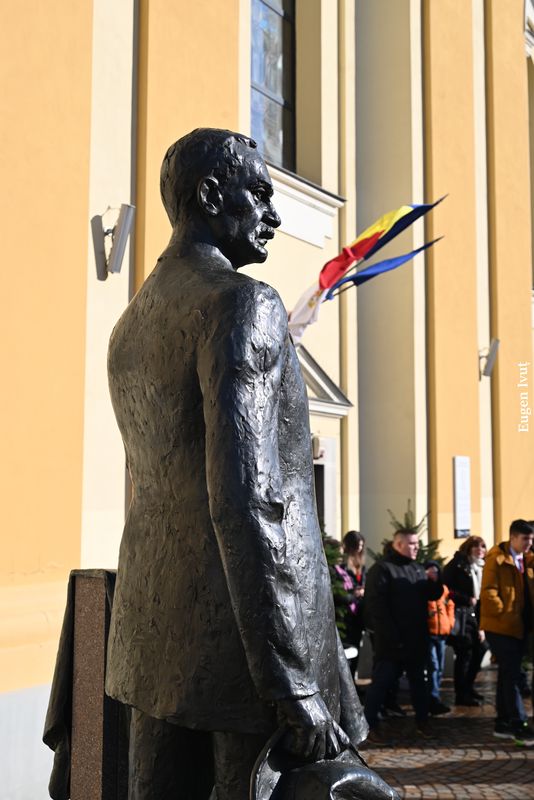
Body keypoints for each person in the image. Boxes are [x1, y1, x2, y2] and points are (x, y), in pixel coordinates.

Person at [105, 129, 368, 800]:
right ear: (209, 195)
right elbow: (245, 498)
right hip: (246, 662)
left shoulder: (131, 324)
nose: (273, 216)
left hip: (155, 637)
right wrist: (292, 682)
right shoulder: (242, 302)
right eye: (259, 194)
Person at [363, 530, 443, 739]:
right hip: (392, 642)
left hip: (416, 639)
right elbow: (376, 608)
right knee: (381, 683)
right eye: (412, 544)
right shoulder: (382, 569)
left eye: (417, 543)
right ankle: (368, 725)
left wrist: (435, 580)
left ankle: (422, 722)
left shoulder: (417, 568)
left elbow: (433, 594)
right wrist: (392, 637)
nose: (417, 547)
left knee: (419, 683)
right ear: (398, 544)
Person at [480, 519, 534, 746]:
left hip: (520, 627)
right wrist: (505, 613)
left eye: (531, 539)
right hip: (500, 627)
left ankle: (502, 722)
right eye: (525, 539)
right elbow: (488, 592)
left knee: (506, 673)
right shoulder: (496, 559)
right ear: (512, 538)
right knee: (513, 674)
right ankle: (518, 723)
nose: (528, 543)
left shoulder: (528, 559)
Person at [443, 535, 488, 706]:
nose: (480, 550)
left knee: (481, 649)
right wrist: (466, 599)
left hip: (477, 615)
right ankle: (461, 694)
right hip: (461, 615)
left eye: (483, 547)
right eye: (476, 547)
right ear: (468, 549)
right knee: (465, 654)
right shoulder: (457, 565)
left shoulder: (482, 567)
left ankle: (468, 687)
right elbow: (446, 589)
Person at [425, 561, 455, 715]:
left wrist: (450, 623)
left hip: (442, 632)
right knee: (434, 666)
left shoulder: (443, 589)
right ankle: (432, 698)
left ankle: (434, 695)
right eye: (430, 571)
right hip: (429, 633)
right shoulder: (423, 588)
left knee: (440, 667)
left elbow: (450, 605)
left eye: (435, 571)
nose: (433, 574)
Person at [338, 531, 366, 676]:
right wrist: (356, 592)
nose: (359, 549)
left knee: (356, 648)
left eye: (361, 546)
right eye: (357, 546)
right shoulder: (342, 565)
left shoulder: (361, 565)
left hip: (358, 613)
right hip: (346, 614)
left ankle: (353, 679)